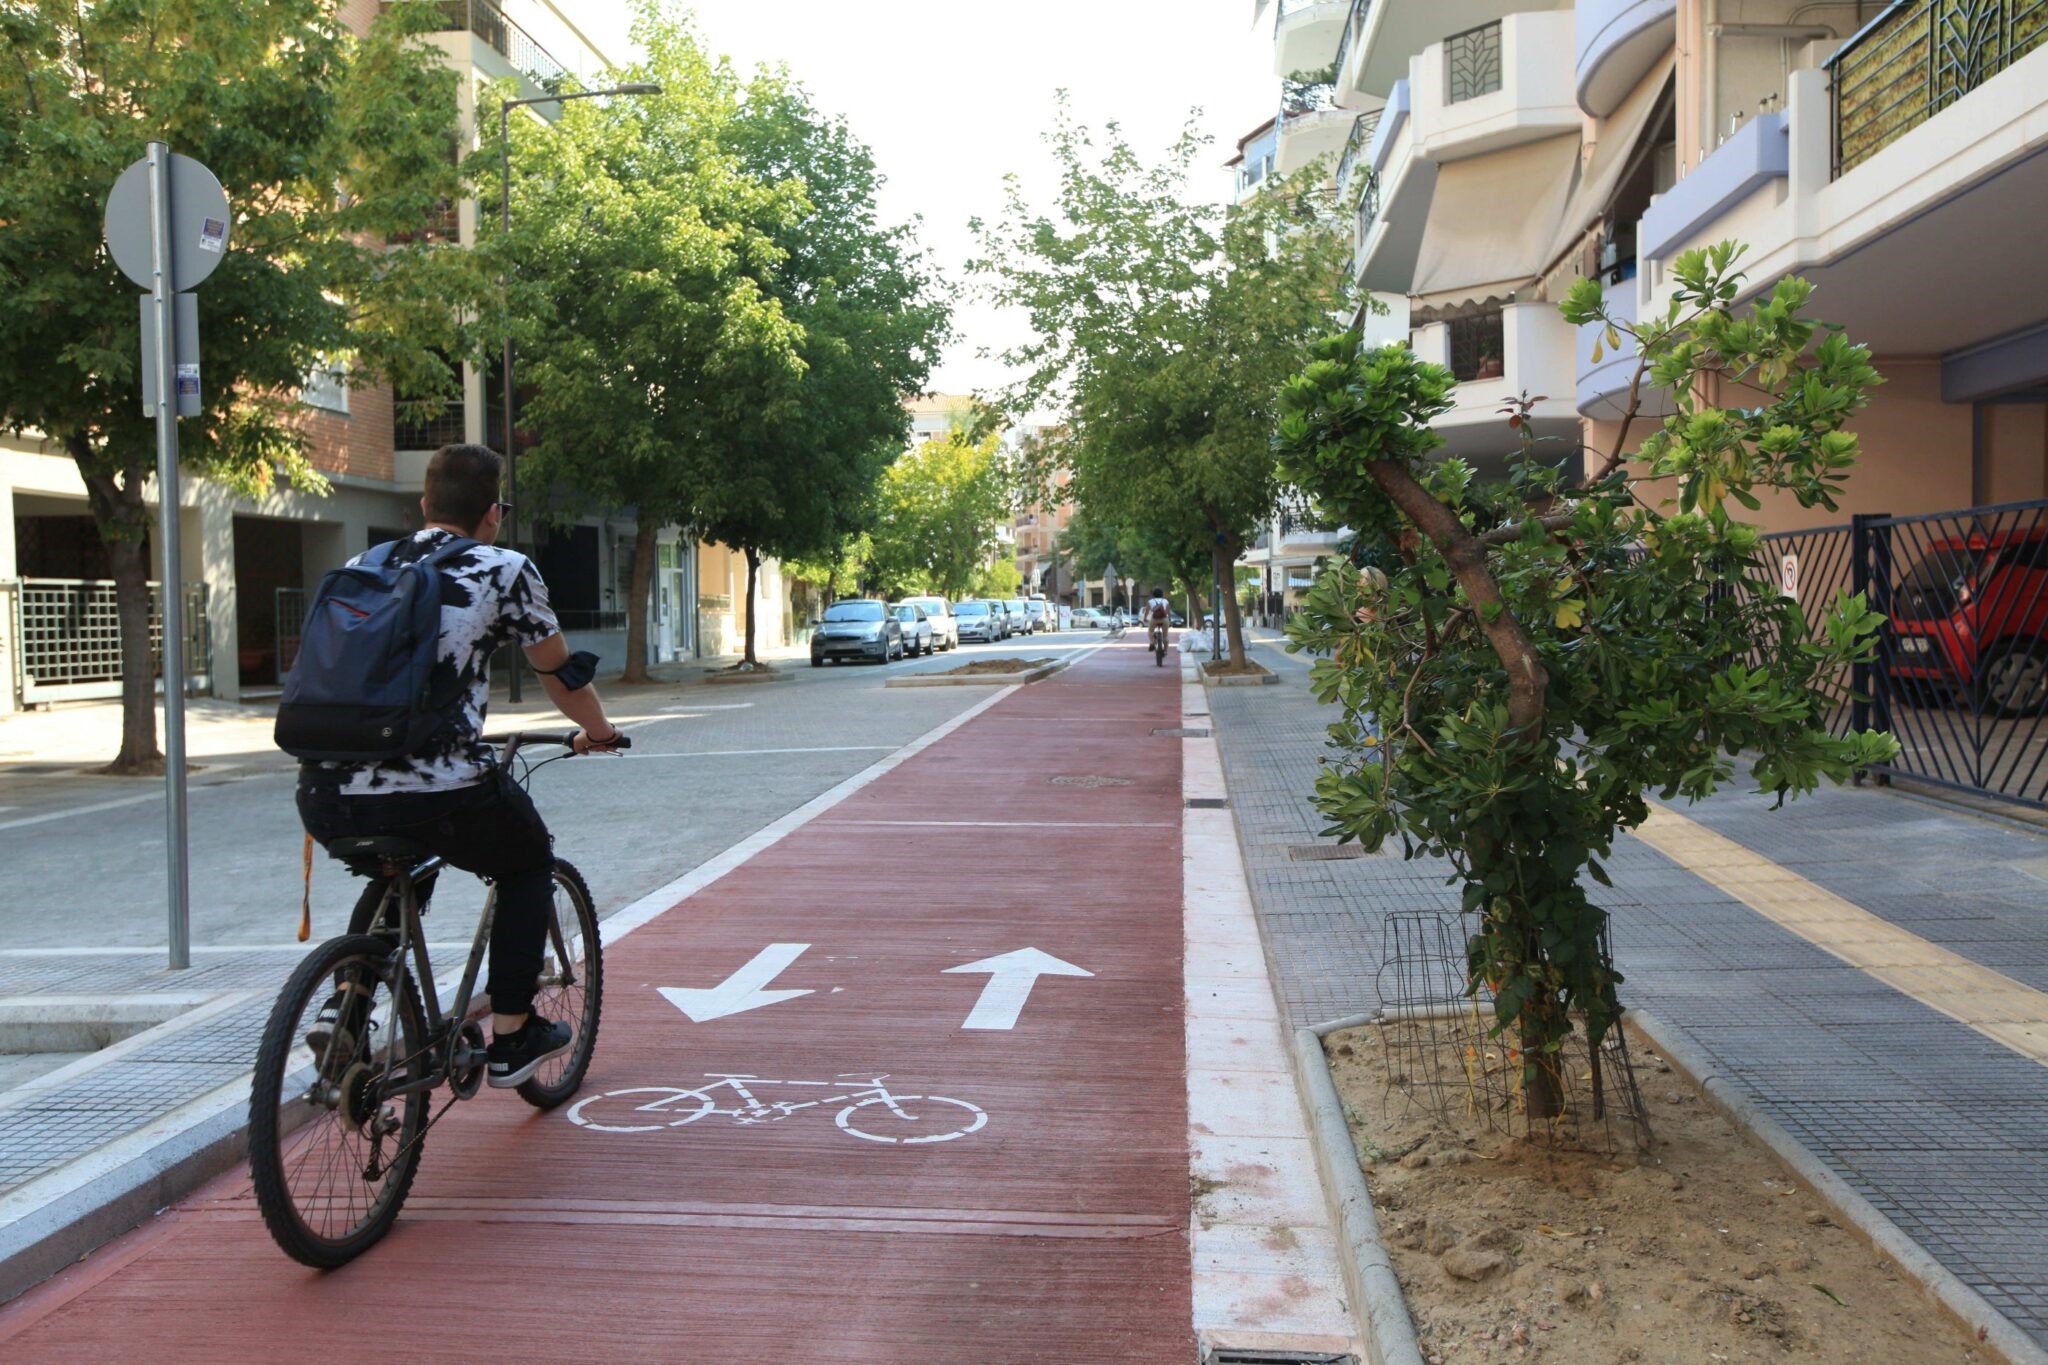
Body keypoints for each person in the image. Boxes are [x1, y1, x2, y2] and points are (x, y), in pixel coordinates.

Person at [295, 443, 622, 1088]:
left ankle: (347, 1009)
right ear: (493, 514)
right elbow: (556, 672)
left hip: (326, 789)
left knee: (400, 863)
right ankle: (511, 1034)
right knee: (527, 859)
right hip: (439, 789)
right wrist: (600, 732)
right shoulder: (504, 568)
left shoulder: (365, 563)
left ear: (424, 505)